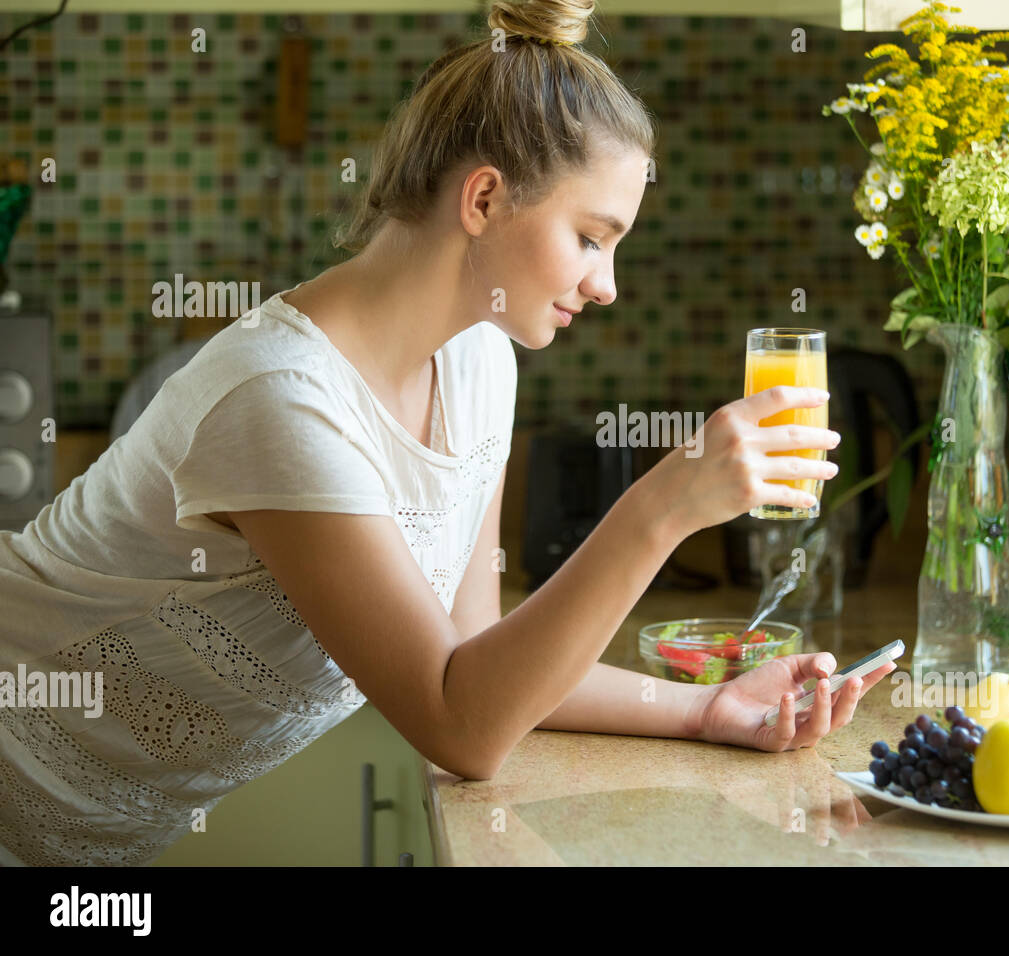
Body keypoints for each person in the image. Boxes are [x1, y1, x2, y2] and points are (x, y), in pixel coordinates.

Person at [0, 0, 893, 867]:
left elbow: (479, 662)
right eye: (591, 237)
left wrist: (707, 710)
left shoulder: (479, 364)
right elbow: (460, 727)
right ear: (485, 198)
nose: (607, 283)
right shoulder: (282, 397)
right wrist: (662, 508)